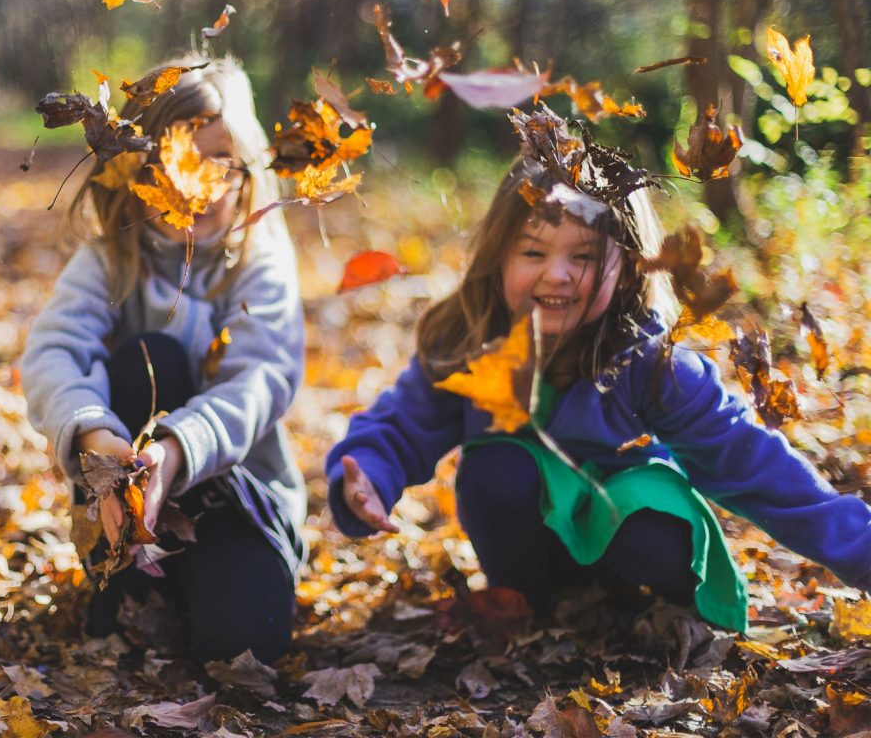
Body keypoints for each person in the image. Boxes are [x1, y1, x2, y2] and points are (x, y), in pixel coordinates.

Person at [327, 112, 871, 633]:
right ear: (499, 257)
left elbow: (751, 461)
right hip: (530, 543)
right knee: (496, 470)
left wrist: (861, 551)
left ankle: (636, 612)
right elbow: (402, 424)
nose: (556, 274)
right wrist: (370, 474)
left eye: (584, 257)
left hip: (630, 536)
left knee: (652, 522)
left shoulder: (651, 361)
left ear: (630, 266)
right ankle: (528, 604)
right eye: (533, 251)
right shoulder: (471, 341)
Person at [22, 55, 305, 663]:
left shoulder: (258, 261)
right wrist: (95, 435)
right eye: (171, 162)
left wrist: (175, 452)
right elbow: (54, 350)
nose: (194, 186)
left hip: (235, 502)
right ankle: (125, 577)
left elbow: (261, 378)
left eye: (217, 164)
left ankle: (214, 585)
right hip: (123, 508)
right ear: (132, 170)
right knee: (149, 356)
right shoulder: (109, 262)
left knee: (247, 646)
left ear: (247, 168)